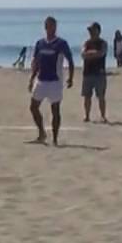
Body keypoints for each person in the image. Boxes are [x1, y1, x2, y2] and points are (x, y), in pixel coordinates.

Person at [27, 16, 75, 146]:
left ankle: (55, 139)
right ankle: (42, 133)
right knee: (33, 107)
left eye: (53, 26)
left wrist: (70, 77)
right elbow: (37, 63)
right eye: (48, 26)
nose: (51, 28)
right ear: (45, 27)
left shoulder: (61, 43)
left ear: (55, 27)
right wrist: (32, 78)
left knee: (55, 110)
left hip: (55, 81)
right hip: (41, 80)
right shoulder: (40, 43)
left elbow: (70, 60)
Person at [80, 22, 108, 123]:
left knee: (101, 96)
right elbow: (83, 54)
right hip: (87, 73)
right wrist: (93, 54)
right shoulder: (86, 43)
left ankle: (103, 116)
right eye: (90, 31)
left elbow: (101, 53)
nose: (90, 32)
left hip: (99, 73)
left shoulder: (102, 43)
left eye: (92, 30)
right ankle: (87, 116)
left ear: (98, 31)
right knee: (87, 96)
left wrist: (90, 54)